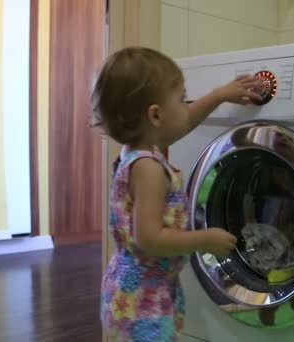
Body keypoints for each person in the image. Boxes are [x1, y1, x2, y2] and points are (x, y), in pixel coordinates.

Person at [91, 47, 264, 342]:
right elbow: (150, 238)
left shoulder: (137, 150)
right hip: (144, 296)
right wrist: (204, 239)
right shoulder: (148, 169)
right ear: (156, 115)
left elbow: (183, 122)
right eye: (182, 100)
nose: (186, 107)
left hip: (138, 287)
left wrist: (220, 95)